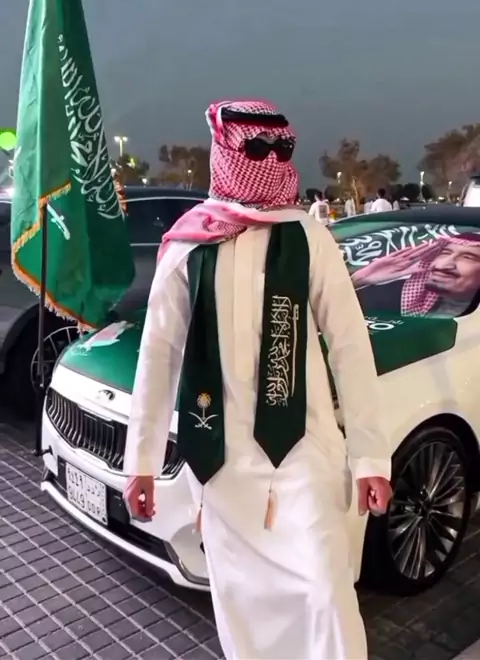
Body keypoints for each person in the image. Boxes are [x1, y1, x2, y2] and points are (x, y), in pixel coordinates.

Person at [123, 100, 392, 660]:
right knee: (242, 607)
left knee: (326, 592)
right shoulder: (189, 245)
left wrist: (370, 457)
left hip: (304, 453)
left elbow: (349, 346)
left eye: (281, 149)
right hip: (222, 464)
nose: (271, 161)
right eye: (257, 149)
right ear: (226, 154)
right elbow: (158, 355)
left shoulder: (308, 237)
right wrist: (141, 462)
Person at [352, 233, 480, 317]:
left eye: (467, 257)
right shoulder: (389, 295)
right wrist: (358, 280)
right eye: (445, 253)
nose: (444, 264)